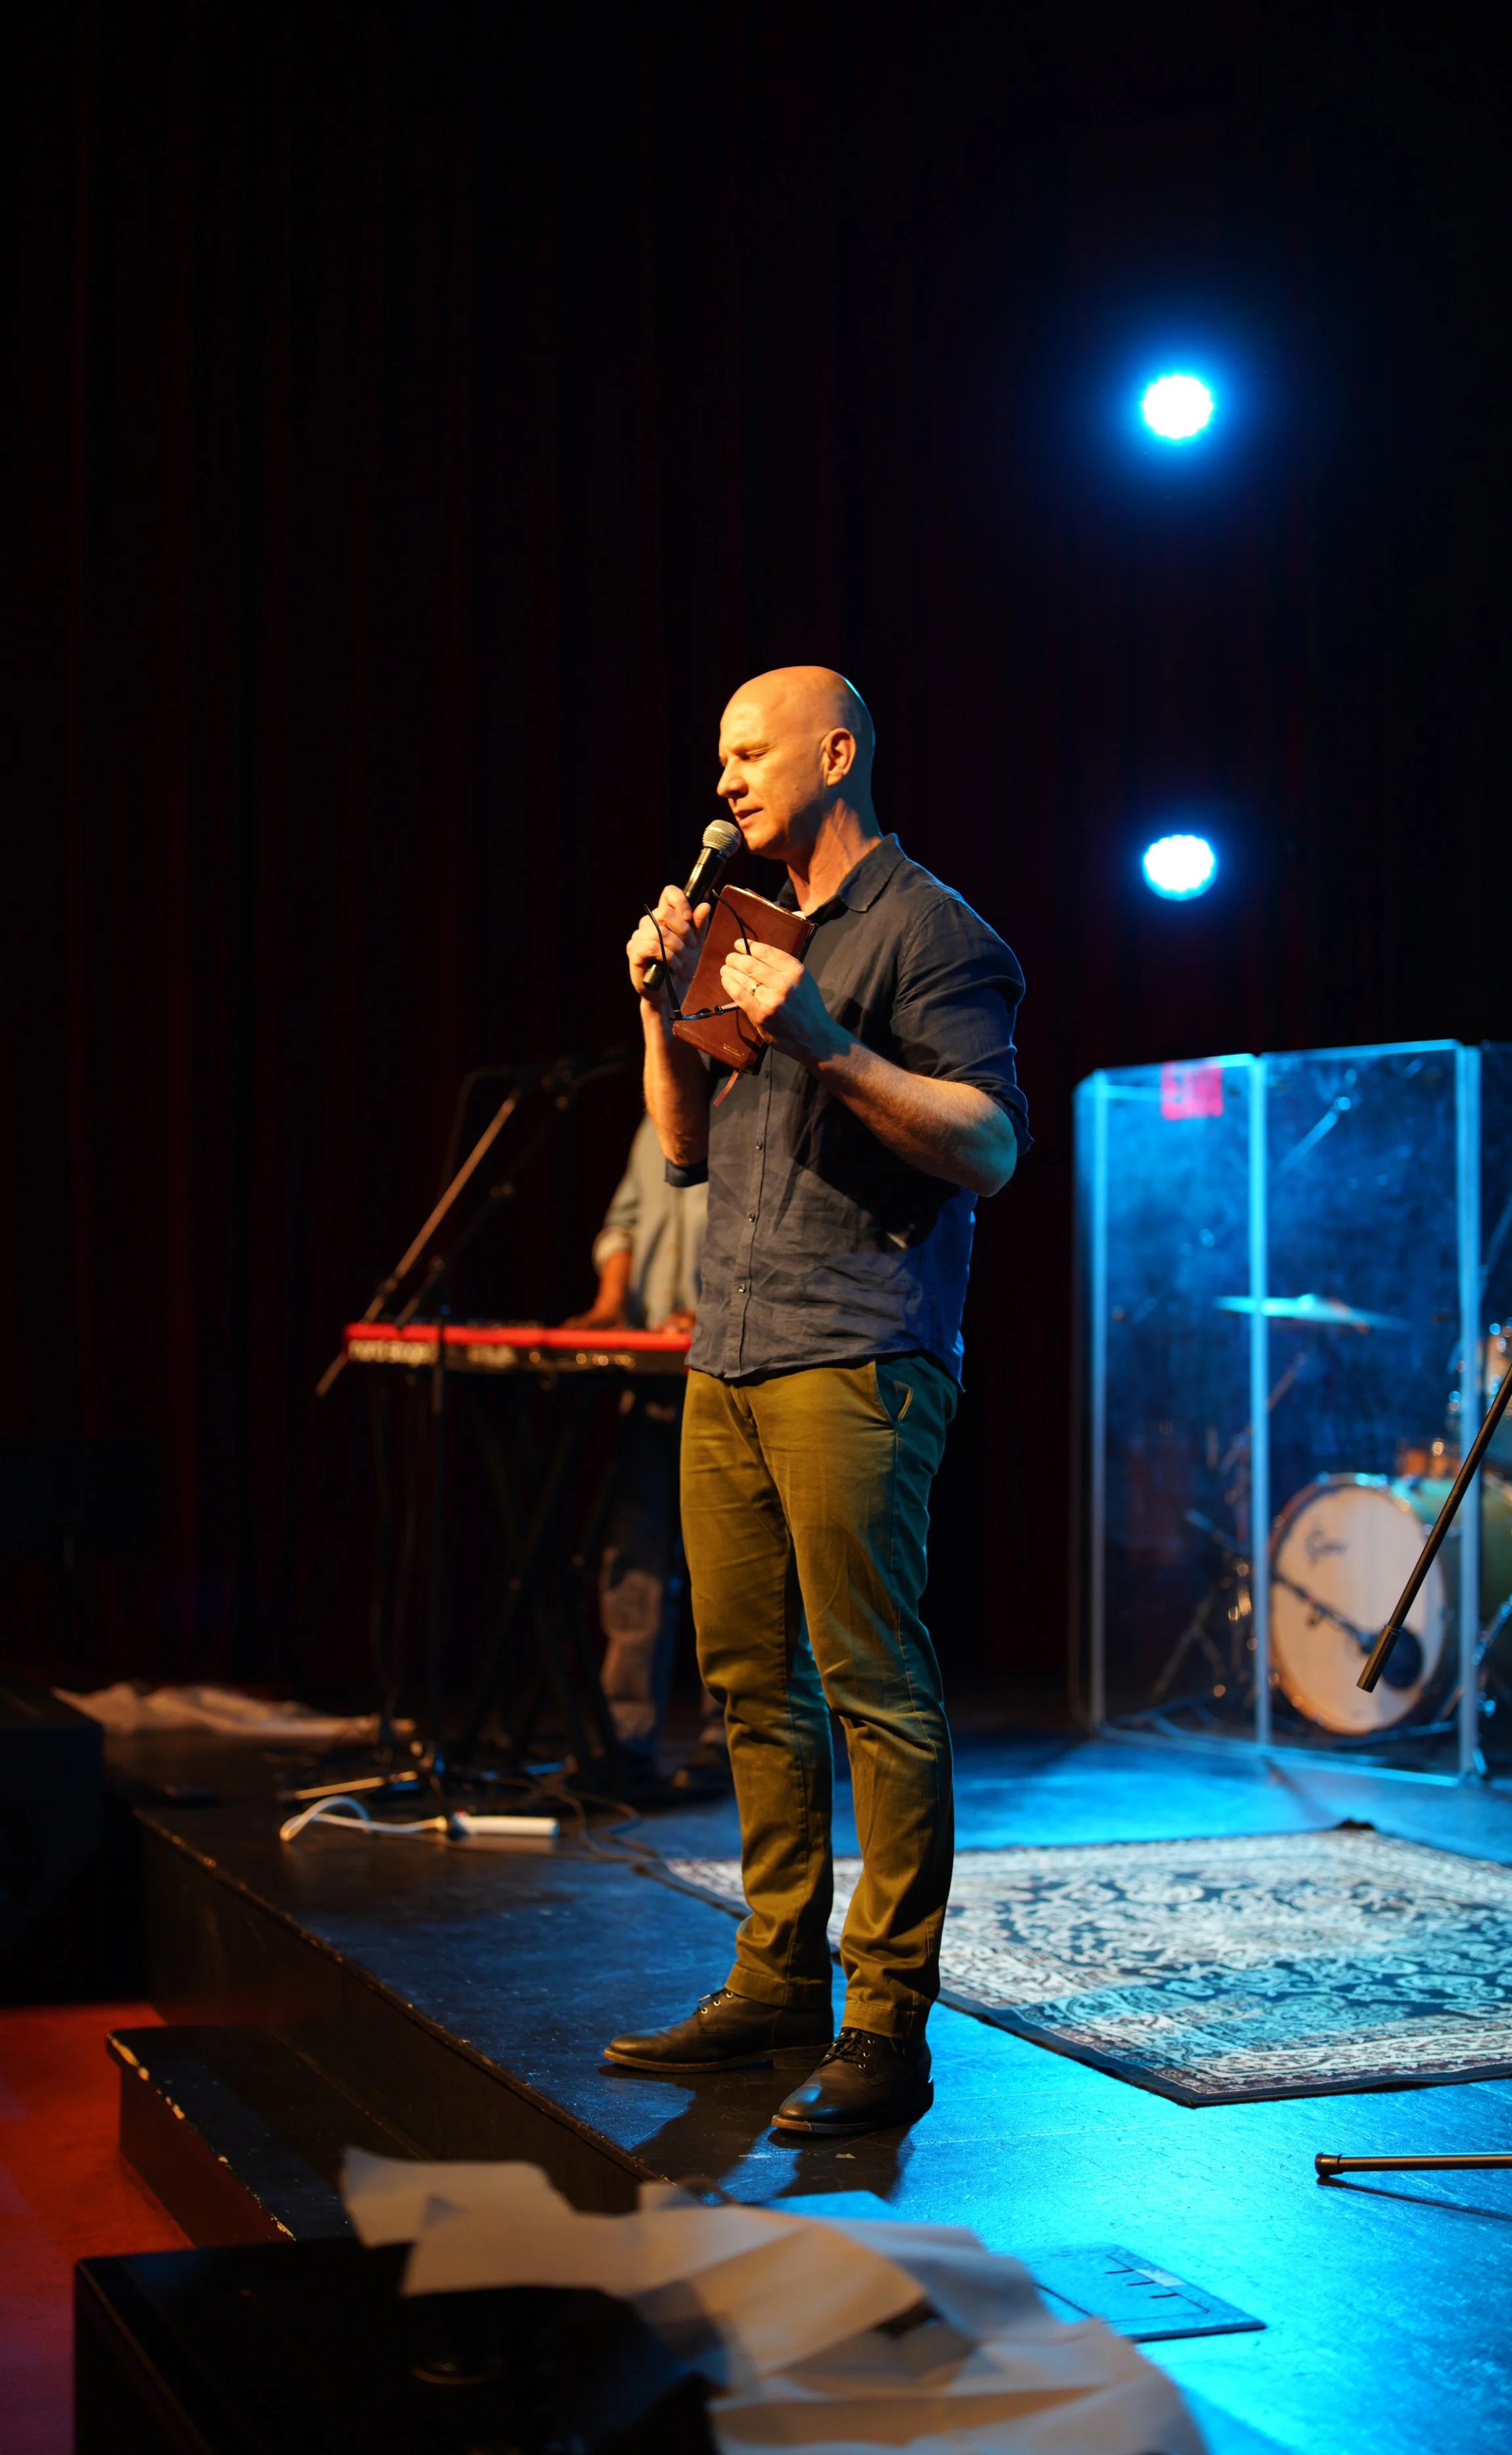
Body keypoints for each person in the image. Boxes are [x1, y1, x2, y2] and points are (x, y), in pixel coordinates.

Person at [603, 666, 1031, 2137]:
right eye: (715, 755)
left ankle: (884, 2024)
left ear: (833, 753)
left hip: (855, 1352)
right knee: (745, 1688)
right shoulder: (743, 929)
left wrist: (833, 1043)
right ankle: (774, 1977)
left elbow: (986, 1145)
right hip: (725, 1354)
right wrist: (665, 1009)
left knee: (872, 1690)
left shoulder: (933, 930)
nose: (722, 778)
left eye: (747, 751)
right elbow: (680, 1156)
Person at [564, 1114, 728, 1796]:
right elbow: (623, 1223)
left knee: (727, 1567)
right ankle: (624, 1739)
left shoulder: (763, 1099)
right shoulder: (655, 1114)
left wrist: (715, 1309)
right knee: (633, 1559)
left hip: (725, 1371)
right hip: (652, 1375)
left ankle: (731, 1745)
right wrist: (610, 1302)